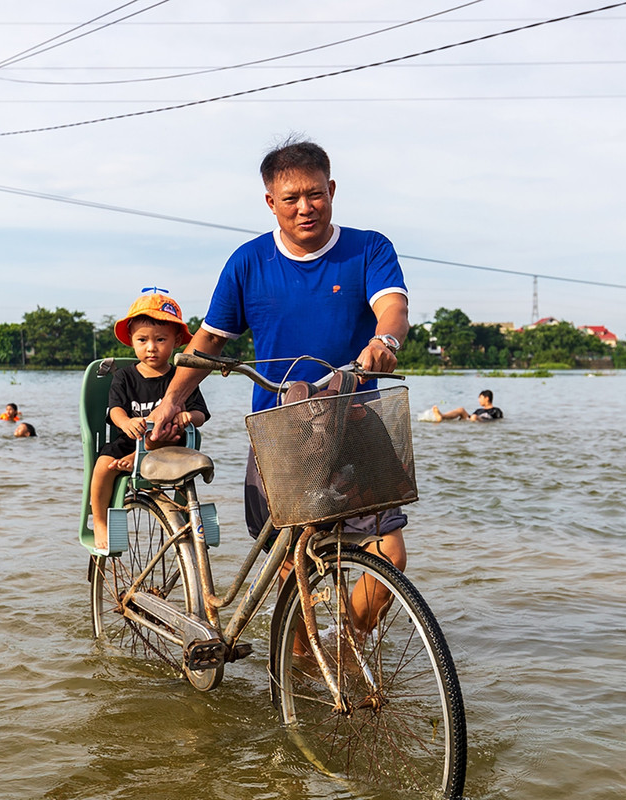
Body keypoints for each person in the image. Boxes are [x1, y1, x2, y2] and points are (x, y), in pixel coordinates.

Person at [147, 138, 408, 630]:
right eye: (291, 198)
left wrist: (385, 340)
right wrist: (171, 400)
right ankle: (300, 660)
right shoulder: (248, 262)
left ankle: (346, 646)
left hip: (356, 417)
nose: (305, 207)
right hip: (281, 430)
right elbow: (210, 340)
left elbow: (392, 306)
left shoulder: (368, 248)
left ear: (332, 190)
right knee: (293, 567)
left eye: (315, 194)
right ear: (271, 202)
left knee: (389, 553)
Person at [91, 292, 209, 553]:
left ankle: (140, 457)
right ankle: (99, 522)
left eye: (160, 339)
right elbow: (114, 410)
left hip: (169, 445)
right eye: (142, 340)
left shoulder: (180, 379)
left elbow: (201, 414)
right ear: (132, 340)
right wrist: (125, 422)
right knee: (102, 465)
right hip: (130, 440)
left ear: (176, 341)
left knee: (168, 435)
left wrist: (188, 416)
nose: (151, 347)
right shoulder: (124, 377)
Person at [427, 390, 503, 422]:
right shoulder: (479, 410)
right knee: (461, 409)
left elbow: (497, 421)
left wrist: (477, 418)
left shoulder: (496, 410)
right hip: (472, 420)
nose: (479, 400)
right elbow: (469, 418)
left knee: (474, 417)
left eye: (480, 398)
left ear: (487, 398)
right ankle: (442, 416)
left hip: (482, 421)